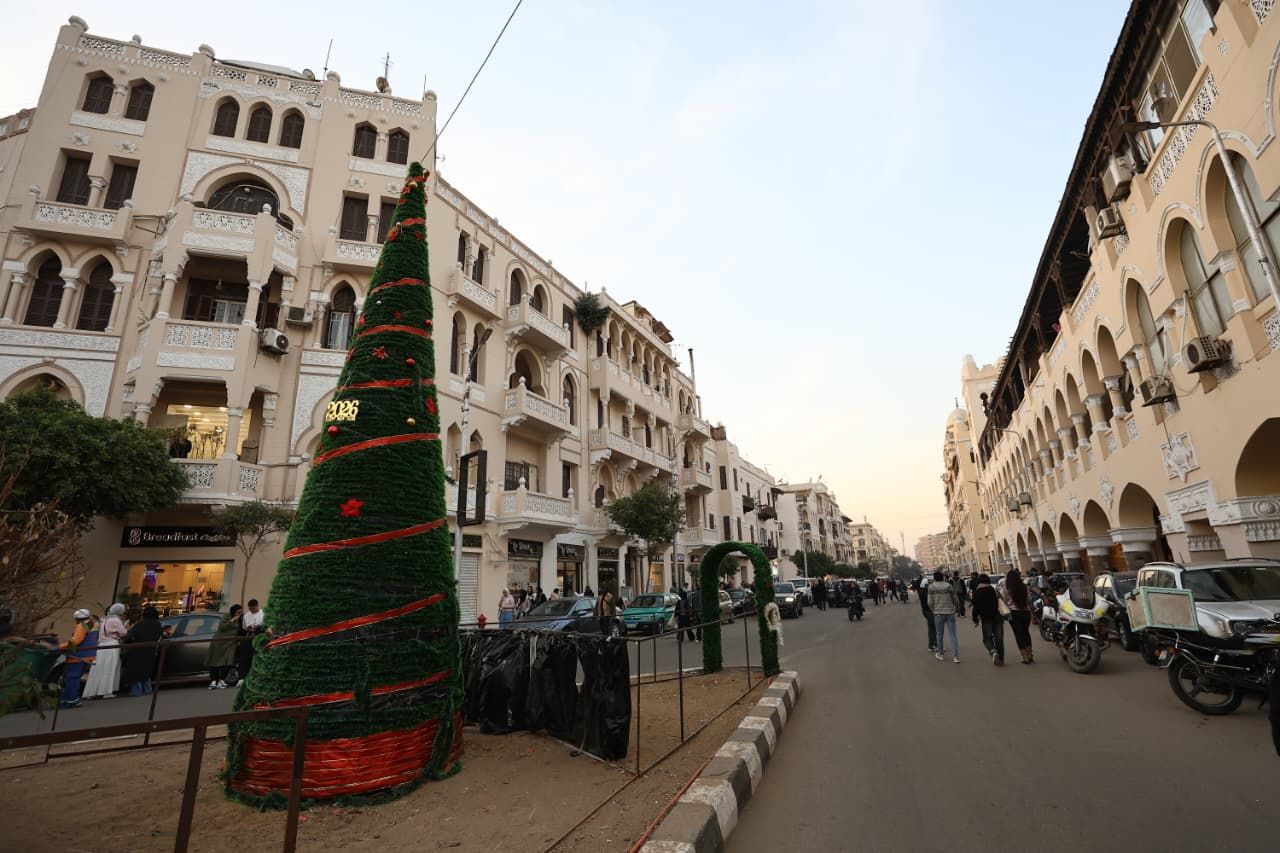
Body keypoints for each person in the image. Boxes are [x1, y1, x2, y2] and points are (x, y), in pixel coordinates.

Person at [83, 603, 128, 699]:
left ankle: (92, 691)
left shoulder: (104, 619)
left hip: (101, 645)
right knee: (110, 668)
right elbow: (124, 632)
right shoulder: (116, 620)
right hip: (112, 645)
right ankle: (106, 691)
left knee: (99, 668)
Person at [58, 608, 99, 708]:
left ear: (77, 619)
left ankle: (71, 700)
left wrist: (60, 647)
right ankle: (71, 699)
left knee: (72, 678)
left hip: (78, 656)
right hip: (89, 655)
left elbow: (76, 641)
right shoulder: (93, 624)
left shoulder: (82, 626)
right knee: (76, 677)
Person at [122, 605, 163, 696]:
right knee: (147, 672)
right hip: (150, 651)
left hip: (137, 651)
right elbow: (160, 637)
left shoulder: (139, 625)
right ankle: (147, 690)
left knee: (136, 672)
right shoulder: (158, 625)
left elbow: (129, 637)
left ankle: (136, 691)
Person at [971, 574, 1005, 666]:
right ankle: (1001, 659)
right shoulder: (993, 590)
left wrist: (975, 620)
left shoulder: (977, 592)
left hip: (986, 619)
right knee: (999, 638)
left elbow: (975, 608)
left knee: (987, 638)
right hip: (997, 617)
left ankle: (993, 652)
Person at [205, 604, 242, 689]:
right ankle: (214, 680)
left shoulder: (240, 619)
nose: (239, 614)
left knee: (228, 661)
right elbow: (222, 627)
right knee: (215, 661)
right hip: (219, 642)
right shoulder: (226, 616)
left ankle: (222, 679)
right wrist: (232, 620)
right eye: (238, 612)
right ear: (233, 612)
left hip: (231, 643)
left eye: (240, 612)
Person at [928, 571, 960, 663]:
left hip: (938, 613)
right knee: (952, 635)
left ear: (934, 578)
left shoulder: (931, 587)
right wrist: (957, 609)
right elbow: (956, 599)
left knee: (939, 634)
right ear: (943, 577)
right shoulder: (949, 586)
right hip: (950, 612)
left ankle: (941, 654)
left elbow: (929, 602)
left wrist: (934, 610)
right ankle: (956, 657)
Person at [1004, 569, 1035, 664]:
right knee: (1026, 633)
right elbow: (1029, 599)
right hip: (1026, 612)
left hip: (1014, 613)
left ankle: (1025, 656)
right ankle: (1030, 655)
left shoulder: (1007, 589)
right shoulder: (1024, 587)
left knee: (1018, 634)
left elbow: (1004, 601)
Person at [238, 598, 266, 682]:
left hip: (260, 636)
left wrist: (258, 627)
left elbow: (266, 625)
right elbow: (244, 628)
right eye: (250, 609)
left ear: (257, 606)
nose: (252, 610)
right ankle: (245, 676)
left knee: (258, 656)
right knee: (246, 657)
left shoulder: (264, 614)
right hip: (249, 637)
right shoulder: (246, 615)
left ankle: (259, 676)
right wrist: (249, 628)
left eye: (253, 608)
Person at [915, 576, 936, 651]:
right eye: (929, 583)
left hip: (926, 611)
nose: (931, 584)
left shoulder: (922, 591)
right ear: (926, 584)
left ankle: (932, 644)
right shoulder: (925, 592)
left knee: (931, 628)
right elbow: (931, 602)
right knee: (935, 627)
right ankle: (934, 644)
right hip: (929, 611)